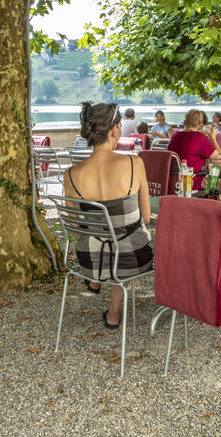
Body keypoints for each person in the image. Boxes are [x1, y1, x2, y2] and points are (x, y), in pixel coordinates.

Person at [63, 102, 153, 330]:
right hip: (132, 257)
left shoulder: (71, 174)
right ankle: (113, 314)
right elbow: (147, 216)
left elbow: (75, 226)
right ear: (115, 129)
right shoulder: (134, 162)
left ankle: (95, 280)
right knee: (127, 239)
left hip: (89, 258)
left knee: (103, 238)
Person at [167, 109, 221, 191]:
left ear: (184, 122)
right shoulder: (200, 138)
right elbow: (220, 159)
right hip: (193, 184)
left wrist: (205, 159)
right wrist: (213, 138)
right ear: (201, 124)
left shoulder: (175, 136)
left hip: (172, 184)